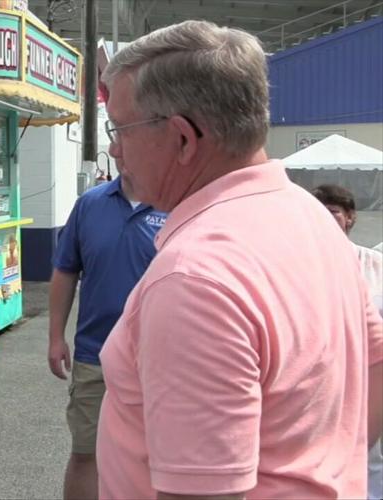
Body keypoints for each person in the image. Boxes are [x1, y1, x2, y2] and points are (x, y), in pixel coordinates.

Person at [96, 20, 383, 498]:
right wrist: (333, 466)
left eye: (121, 128)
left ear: (184, 139)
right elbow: (377, 361)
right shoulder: (311, 217)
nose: (114, 148)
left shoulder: (196, 278)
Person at [47, 170, 166, 499]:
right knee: (86, 454)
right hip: (94, 357)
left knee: (156, 457)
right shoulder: (90, 204)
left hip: (159, 361)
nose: (119, 148)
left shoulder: (173, 202)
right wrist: (56, 337)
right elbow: (66, 269)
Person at [311, 184, 383, 498]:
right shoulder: (303, 264)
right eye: (319, 213)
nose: (326, 220)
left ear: (350, 218)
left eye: (333, 213)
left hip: (369, 375)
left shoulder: (374, 264)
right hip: (322, 377)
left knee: (370, 456)